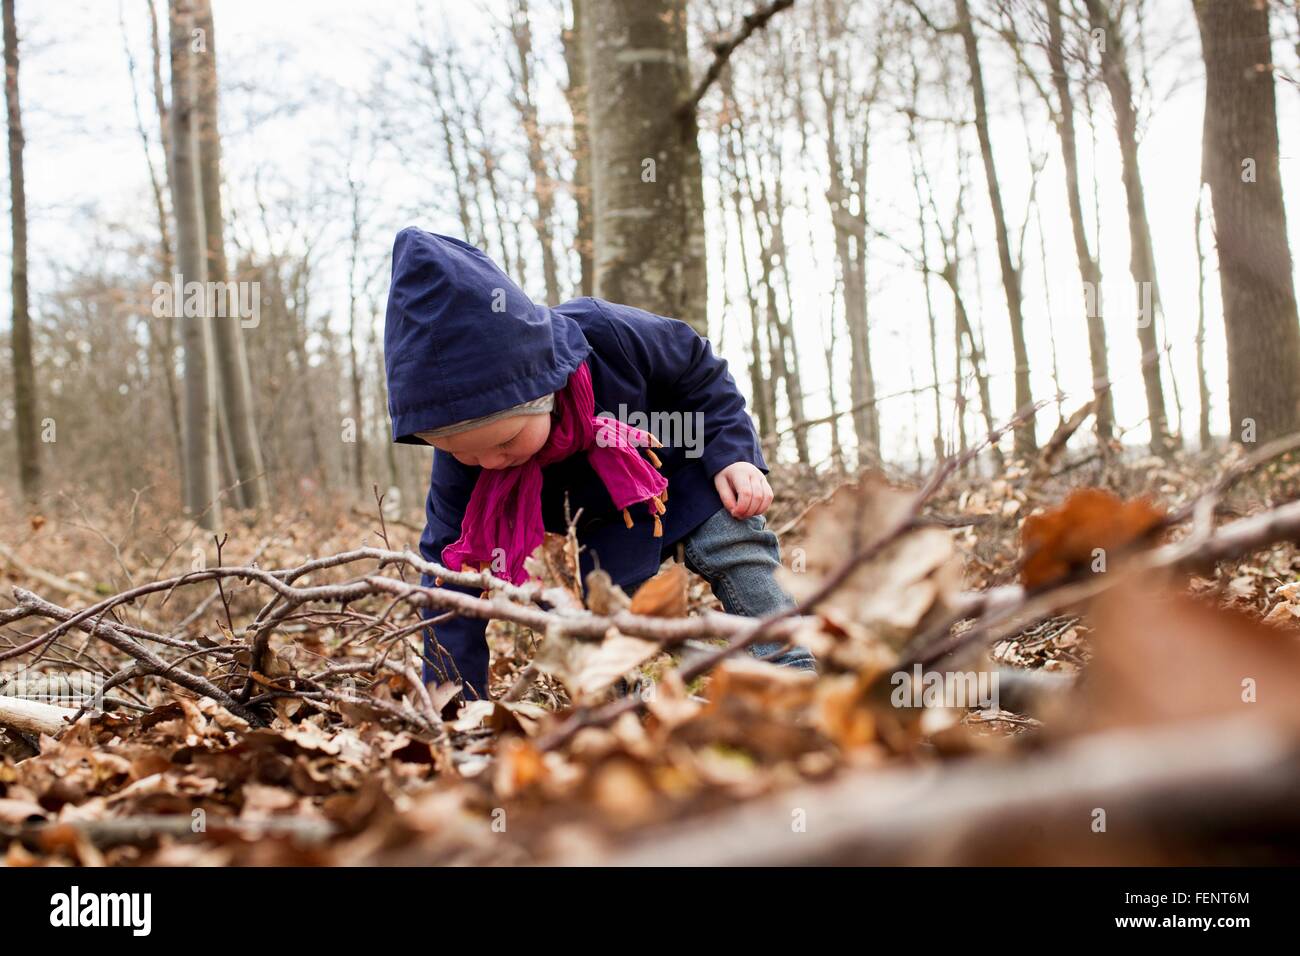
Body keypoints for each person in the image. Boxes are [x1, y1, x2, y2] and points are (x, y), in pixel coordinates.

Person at [383, 227, 816, 700]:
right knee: (596, 631)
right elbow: (450, 575)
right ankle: (632, 704)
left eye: (505, 440)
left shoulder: (606, 334)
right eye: (463, 453)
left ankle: (788, 667)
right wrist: (454, 701)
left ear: (543, 392)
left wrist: (732, 454)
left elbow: (700, 372)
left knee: (734, 543)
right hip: (594, 532)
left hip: (674, 468)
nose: (490, 462)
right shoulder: (467, 465)